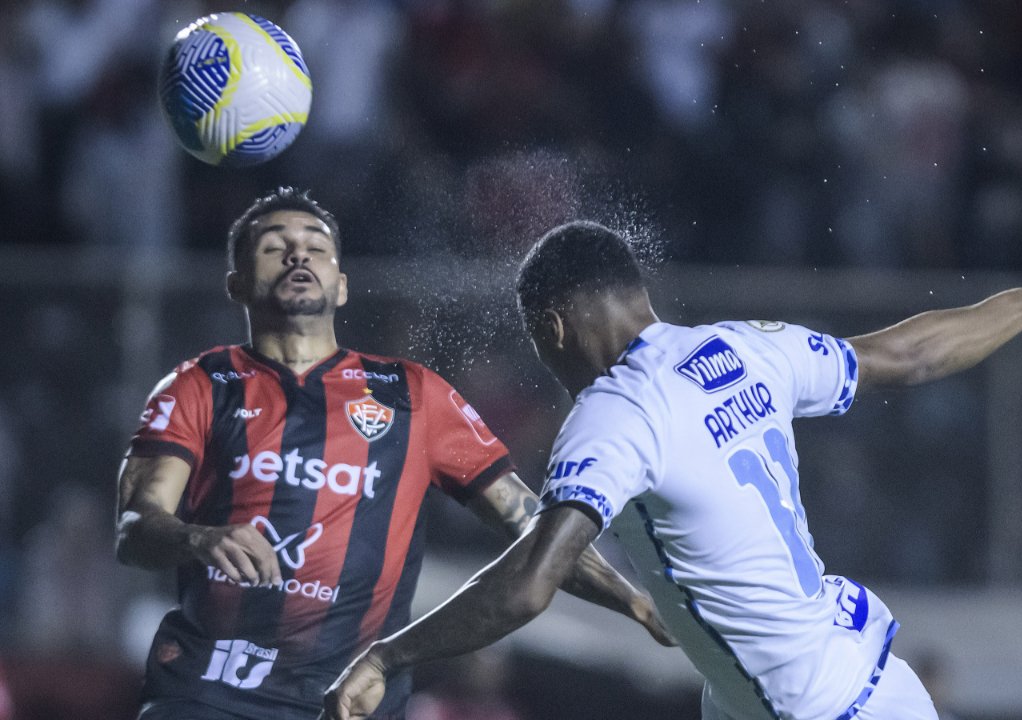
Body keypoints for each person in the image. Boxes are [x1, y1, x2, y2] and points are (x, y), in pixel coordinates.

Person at [323, 221, 1022, 720]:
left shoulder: (615, 411)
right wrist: (1021, 303)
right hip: (861, 686)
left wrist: (390, 654)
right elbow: (905, 354)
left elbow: (528, 583)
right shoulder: (748, 346)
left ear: (552, 327)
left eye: (540, 343)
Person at [115, 195, 669, 720]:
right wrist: (199, 537)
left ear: (342, 285)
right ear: (237, 283)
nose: (298, 254)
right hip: (205, 693)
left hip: (347, 702)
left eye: (316, 245)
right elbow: (136, 527)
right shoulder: (199, 385)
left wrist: (635, 601)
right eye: (273, 245)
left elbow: (533, 525)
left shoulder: (412, 394)